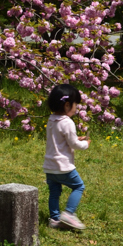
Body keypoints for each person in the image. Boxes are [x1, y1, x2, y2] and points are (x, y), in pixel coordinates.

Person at [43, 84, 90, 230]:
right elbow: (74, 144)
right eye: (75, 104)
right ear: (67, 104)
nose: (76, 108)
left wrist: (76, 138)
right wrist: (86, 144)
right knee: (79, 186)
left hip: (50, 167)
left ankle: (54, 219)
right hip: (63, 166)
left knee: (54, 192)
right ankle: (69, 213)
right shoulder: (67, 122)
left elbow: (61, 139)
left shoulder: (51, 120)